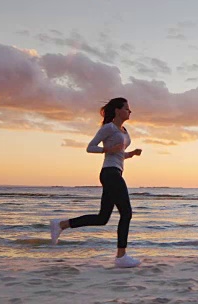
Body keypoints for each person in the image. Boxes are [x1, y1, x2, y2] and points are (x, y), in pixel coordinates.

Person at [50, 97, 143, 268]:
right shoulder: (108, 128)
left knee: (102, 218)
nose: (130, 111)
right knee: (127, 213)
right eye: (127, 108)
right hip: (110, 173)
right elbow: (90, 147)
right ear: (117, 110)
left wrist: (131, 154)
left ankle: (61, 224)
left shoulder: (124, 130)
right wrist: (107, 149)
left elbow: (119, 154)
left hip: (115, 171)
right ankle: (121, 256)